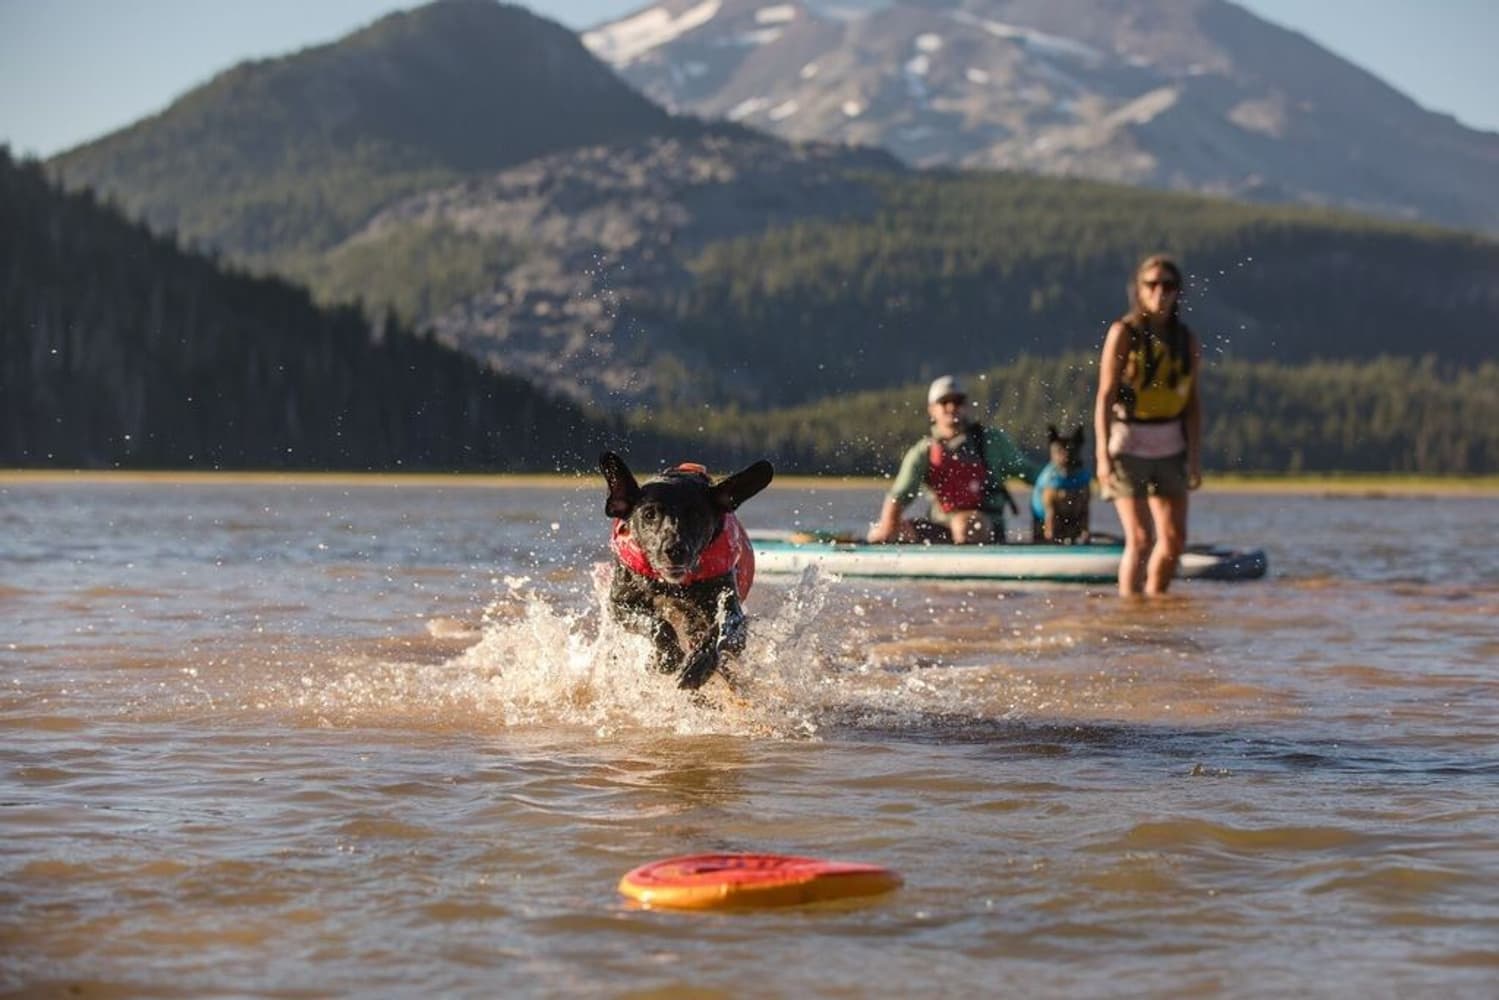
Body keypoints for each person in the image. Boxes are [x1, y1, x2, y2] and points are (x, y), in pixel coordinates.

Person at [1094, 254, 1203, 595]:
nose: (1160, 292)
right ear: (1139, 290)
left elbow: (1193, 403)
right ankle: (1129, 611)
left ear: (1177, 293)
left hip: (1171, 446)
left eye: (1168, 286)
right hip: (1128, 443)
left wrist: (1195, 457)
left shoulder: (1186, 339)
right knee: (1141, 539)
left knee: (1173, 541)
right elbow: (1105, 395)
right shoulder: (1124, 333)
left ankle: (1156, 606)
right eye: (1152, 285)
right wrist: (1102, 454)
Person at [868, 375, 1041, 544]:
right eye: (944, 402)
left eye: (958, 402)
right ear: (932, 409)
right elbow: (898, 496)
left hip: (986, 529)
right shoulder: (923, 451)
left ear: (967, 406)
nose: (952, 407)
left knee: (967, 525)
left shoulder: (992, 441)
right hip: (941, 528)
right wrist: (887, 531)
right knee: (885, 530)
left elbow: (1034, 475)